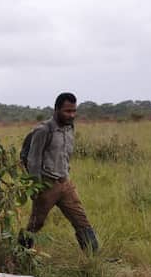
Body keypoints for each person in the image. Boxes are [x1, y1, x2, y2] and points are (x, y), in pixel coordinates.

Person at [19, 92, 99, 252]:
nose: (72, 115)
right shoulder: (43, 130)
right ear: (56, 110)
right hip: (46, 185)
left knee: (81, 220)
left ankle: (93, 258)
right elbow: (33, 160)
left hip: (65, 183)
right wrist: (36, 187)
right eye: (67, 111)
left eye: (74, 111)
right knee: (36, 224)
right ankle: (20, 253)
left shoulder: (70, 128)